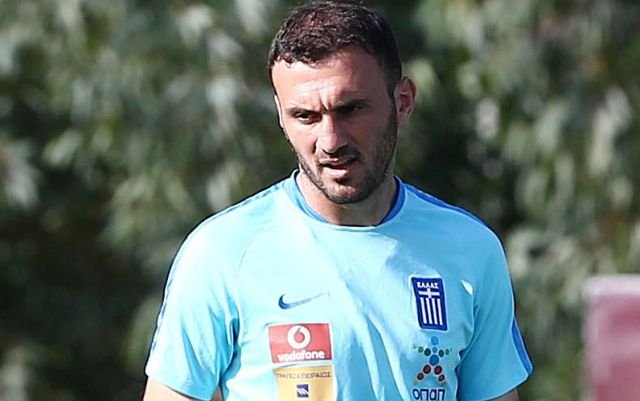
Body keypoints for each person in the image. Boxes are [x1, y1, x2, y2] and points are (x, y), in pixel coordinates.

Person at [142, 1, 533, 400]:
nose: (331, 141)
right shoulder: (222, 252)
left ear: (403, 101)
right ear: (281, 115)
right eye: (305, 116)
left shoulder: (470, 249)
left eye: (350, 109)